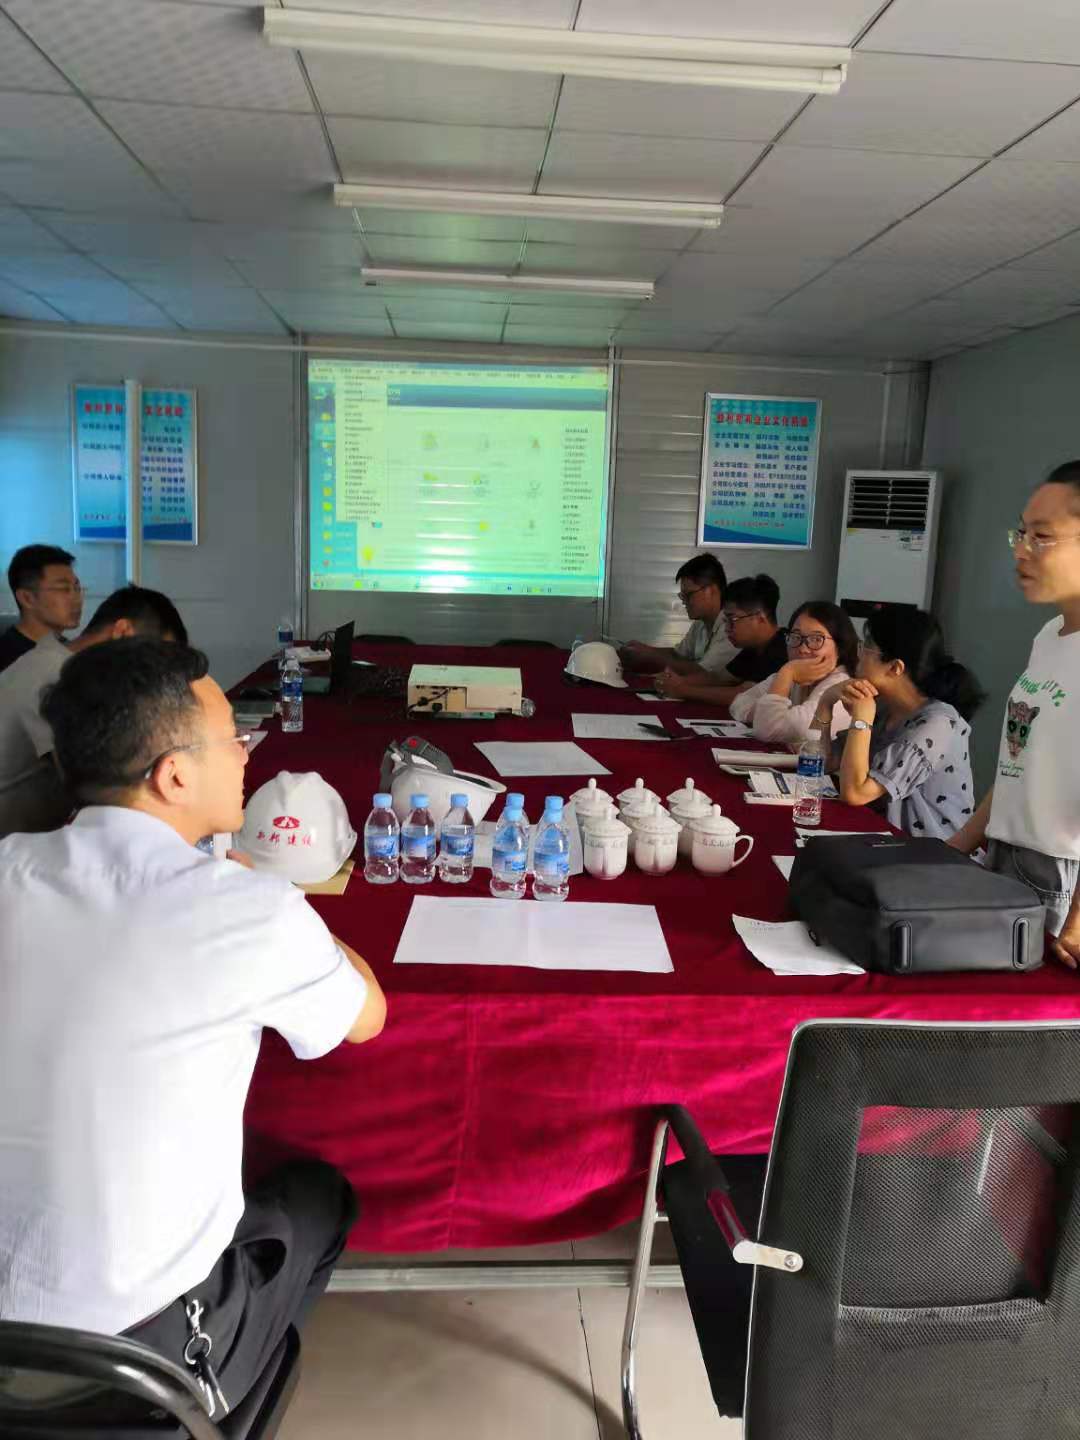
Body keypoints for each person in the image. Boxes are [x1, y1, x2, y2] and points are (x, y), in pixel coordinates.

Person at [0, 637, 386, 1413]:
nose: (246, 753)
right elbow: (365, 1015)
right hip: (131, 1364)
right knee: (316, 1198)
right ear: (174, 774)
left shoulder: (9, 862)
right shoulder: (243, 907)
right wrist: (270, 890)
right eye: (233, 739)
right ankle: (217, 1404)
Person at [948, 461, 1080, 970]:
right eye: (1021, 533)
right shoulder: (1050, 637)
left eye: (1042, 536)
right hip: (1006, 854)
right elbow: (1018, 763)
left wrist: (1077, 922)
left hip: (1060, 876)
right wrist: (959, 846)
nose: (1021, 550)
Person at [0, 584, 187, 837]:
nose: (149, 677)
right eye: (150, 660)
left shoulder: (55, 661)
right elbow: (93, 783)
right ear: (122, 632)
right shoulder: (55, 677)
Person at [811, 607, 983, 838]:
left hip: (934, 853)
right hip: (885, 840)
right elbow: (821, 762)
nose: (858, 655)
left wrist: (861, 720)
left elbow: (855, 794)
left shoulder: (937, 724)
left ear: (895, 667)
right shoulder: (885, 708)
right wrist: (826, 703)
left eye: (866, 647)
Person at [730, 600, 859, 744]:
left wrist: (774, 713)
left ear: (840, 647)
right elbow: (739, 704)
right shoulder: (795, 674)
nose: (803, 649)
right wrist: (774, 714)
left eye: (816, 639)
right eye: (796, 637)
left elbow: (767, 731)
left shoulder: (841, 684)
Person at [654, 573, 787, 703]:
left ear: (760, 618)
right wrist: (677, 681)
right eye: (725, 621)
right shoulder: (753, 648)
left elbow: (744, 695)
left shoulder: (783, 649)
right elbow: (719, 678)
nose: (727, 628)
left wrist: (682, 690)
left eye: (732, 620)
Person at [619, 554, 735, 678]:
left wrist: (651, 656)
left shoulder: (732, 627)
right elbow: (678, 655)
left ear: (711, 590)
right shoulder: (700, 623)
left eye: (688, 595)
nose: (684, 601)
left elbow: (702, 673)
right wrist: (645, 650)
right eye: (682, 596)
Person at [0, 544, 83, 674]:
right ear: (27, 598)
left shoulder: (70, 650)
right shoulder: (8, 661)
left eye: (77, 588)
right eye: (63, 589)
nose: (76, 598)